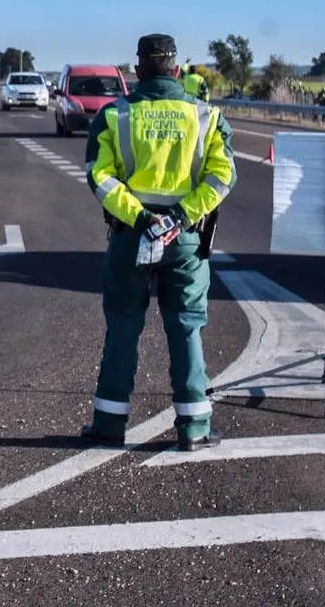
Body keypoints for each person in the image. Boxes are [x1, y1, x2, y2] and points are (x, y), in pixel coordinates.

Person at [81, 34, 236, 450]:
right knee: (186, 327)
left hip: (132, 237)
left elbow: (99, 175)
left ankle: (109, 426)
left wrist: (142, 217)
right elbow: (222, 177)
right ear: (177, 70)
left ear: (138, 71)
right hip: (184, 238)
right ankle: (194, 429)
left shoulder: (116, 116)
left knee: (123, 327)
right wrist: (181, 216)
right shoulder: (206, 116)